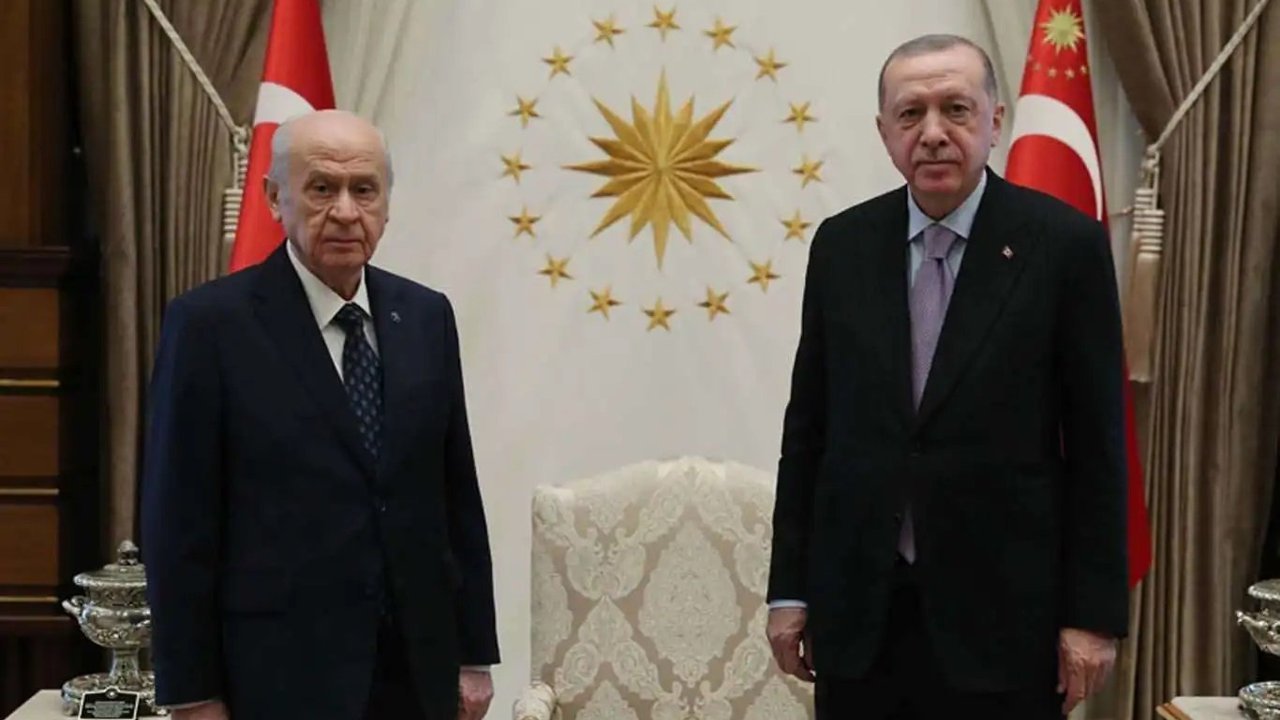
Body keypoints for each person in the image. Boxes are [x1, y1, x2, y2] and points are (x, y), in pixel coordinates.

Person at [765, 34, 1128, 720]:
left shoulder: (1064, 246)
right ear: (884, 132)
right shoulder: (842, 246)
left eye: (956, 109)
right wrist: (789, 591)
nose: (933, 133)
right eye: (911, 114)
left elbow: (1098, 447)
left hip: (1006, 626)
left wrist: (1093, 616)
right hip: (861, 620)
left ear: (995, 122)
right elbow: (808, 433)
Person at [140, 110, 499, 720]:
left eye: (364, 190)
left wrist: (474, 655)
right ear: (273, 198)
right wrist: (192, 693)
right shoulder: (210, 326)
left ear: (387, 204)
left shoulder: (425, 316)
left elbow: (455, 497)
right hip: (277, 677)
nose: (345, 212)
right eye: (322, 188)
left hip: (417, 672)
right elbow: (178, 523)